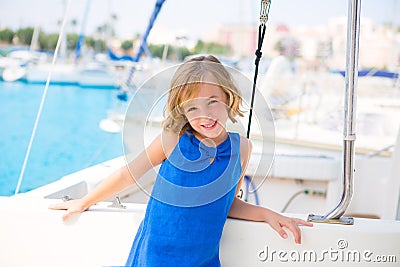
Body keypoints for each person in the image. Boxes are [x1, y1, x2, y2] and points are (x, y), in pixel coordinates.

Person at [49, 55, 312, 266]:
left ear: (229, 98)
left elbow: (227, 203)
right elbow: (128, 174)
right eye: (193, 107)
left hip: (203, 260)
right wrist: (84, 202)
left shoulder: (241, 148)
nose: (205, 114)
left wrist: (268, 215)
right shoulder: (172, 139)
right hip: (155, 256)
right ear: (182, 110)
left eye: (213, 102)